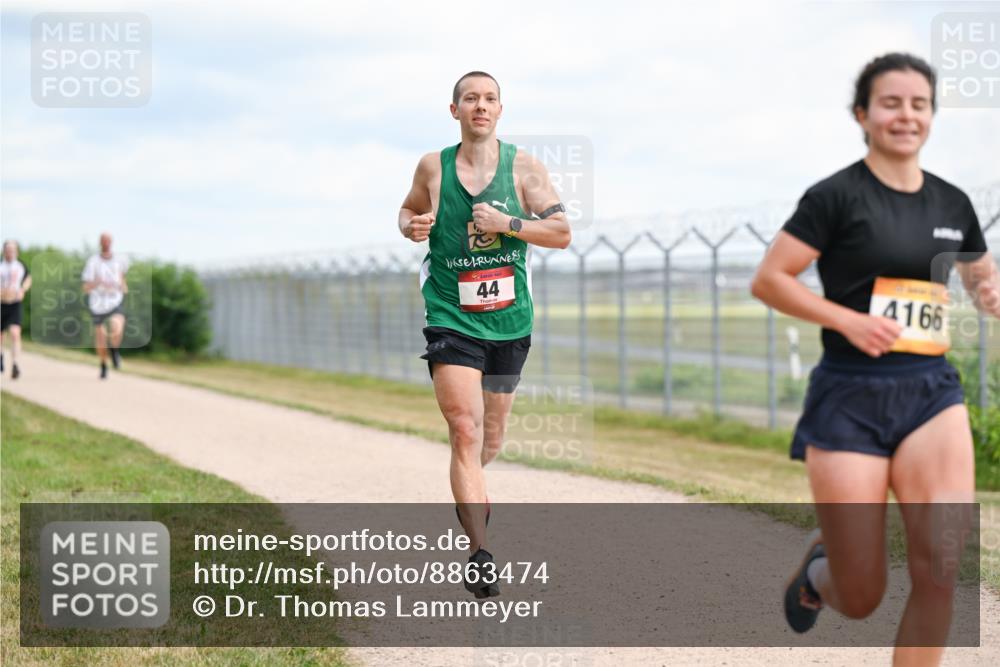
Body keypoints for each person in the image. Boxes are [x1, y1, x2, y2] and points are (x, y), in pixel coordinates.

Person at [751, 53, 999, 665]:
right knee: (861, 594)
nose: (906, 115)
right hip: (849, 398)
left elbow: (981, 281)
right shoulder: (835, 196)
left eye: (919, 104)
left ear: (932, 116)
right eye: (891, 103)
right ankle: (818, 574)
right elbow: (771, 279)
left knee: (941, 569)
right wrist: (848, 320)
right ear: (863, 114)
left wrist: (989, 294)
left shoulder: (953, 204)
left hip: (931, 394)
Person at [398, 71, 571, 598]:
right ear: (455, 111)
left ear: (500, 110)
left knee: (490, 438)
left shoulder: (525, 168)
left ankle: (469, 489)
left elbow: (561, 233)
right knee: (464, 430)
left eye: (490, 98)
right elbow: (407, 211)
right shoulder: (433, 166)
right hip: (450, 313)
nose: (480, 105)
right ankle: (480, 551)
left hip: (509, 321)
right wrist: (411, 226)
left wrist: (507, 224)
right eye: (470, 98)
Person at [81, 233, 130, 379]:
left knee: (117, 326)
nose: (106, 244)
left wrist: (123, 286)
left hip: (115, 300)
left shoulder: (119, 260)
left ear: (112, 243)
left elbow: (121, 277)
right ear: (100, 243)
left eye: (108, 241)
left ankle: (114, 351)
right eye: (104, 241)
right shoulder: (93, 262)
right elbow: (85, 287)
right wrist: (97, 282)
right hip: (98, 303)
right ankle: (103, 365)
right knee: (101, 338)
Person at [0, 240, 32, 380]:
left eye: (13, 250)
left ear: (16, 252)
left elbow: (28, 279)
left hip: (14, 304)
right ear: (4, 251)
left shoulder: (20, 266)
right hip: (1, 304)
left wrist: (23, 289)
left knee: (14, 333)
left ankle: (15, 364)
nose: (10, 252)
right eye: (8, 250)